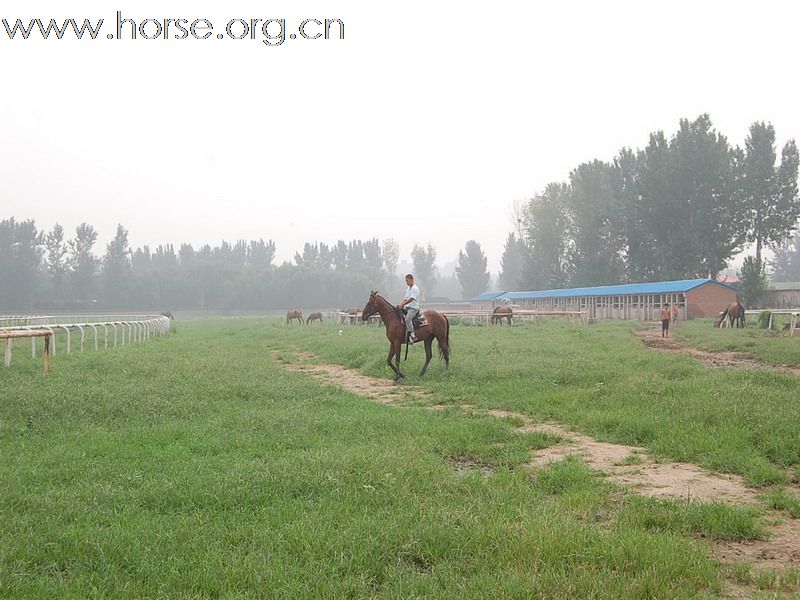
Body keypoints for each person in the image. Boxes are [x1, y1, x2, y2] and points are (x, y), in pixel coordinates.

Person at [397, 273, 420, 343]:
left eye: (407, 281)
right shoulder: (408, 289)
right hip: (407, 307)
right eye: (406, 281)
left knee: (407, 319)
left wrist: (403, 304)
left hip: (413, 308)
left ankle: (413, 335)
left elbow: (411, 299)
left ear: (411, 280)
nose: (406, 282)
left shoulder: (415, 289)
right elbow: (405, 299)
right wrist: (400, 304)